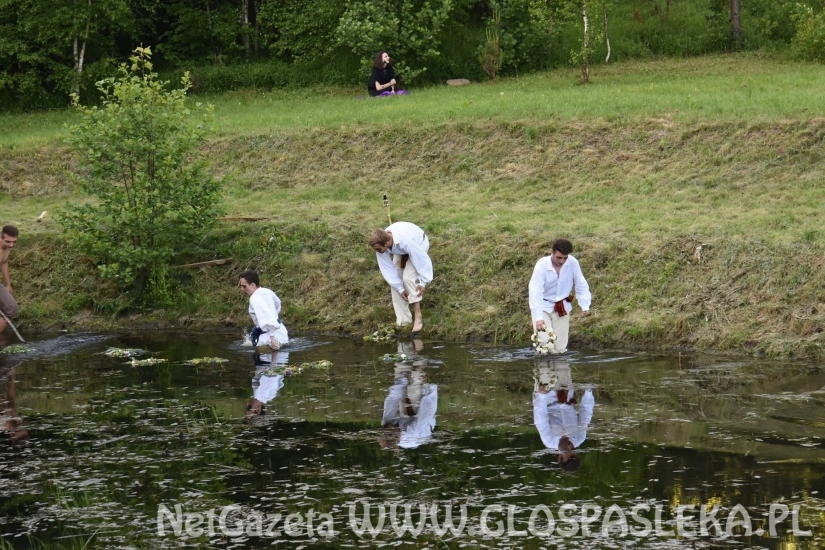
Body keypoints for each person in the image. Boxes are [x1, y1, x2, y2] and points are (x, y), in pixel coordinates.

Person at [528, 238, 591, 354]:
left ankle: (560, 370)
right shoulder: (542, 265)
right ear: (552, 252)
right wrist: (538, 318)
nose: (562, 261)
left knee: (560, 348)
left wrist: (585, 305)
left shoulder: (572, 262)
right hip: (543, 306)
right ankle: (544, 370)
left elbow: (581, 284)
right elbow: (535, 291)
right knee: (544, 343)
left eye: (565, 258)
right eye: (559, 258)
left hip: (562, 306)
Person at [369, 222, 433, 334]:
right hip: (399, 249)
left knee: (408, 278)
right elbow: (388, 270)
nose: (377, 252)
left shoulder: (406, 241)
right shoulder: (381, 244)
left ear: (386, 243)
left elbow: (422, 260)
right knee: (395, 285)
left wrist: (423, 282)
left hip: (419, 244)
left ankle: (418, 317)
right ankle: (403, 321)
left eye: (378, 249)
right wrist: (400, 288)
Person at [533, 358, 594, 473]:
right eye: (572, 452)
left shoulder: (548, 440)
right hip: (565, 392)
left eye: (566, 453)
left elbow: (540, 418)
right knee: (561, 359)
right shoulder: (580, 437)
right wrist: (588, 392)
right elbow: (585, 413)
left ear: (559, 457)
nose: (569, 448)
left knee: (542, 360)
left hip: (546, 396)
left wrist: (541, 396)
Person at [239, 269, 289, 351]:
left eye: (244, 286)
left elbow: (266, 315)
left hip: (269, 338)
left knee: (264, 359)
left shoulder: (254, 299)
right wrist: (274, 316)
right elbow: (278, 303)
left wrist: (272, 337)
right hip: (281, 332)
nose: (242, 289)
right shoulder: (267, 291)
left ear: (253, 285)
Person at [0, 226, 19, 336]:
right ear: (1, 238)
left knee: (10, 307)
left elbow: (4, 262)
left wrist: (8, 285)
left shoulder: (7, 248)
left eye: (14, 242)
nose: (11, 245)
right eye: (8, 242)